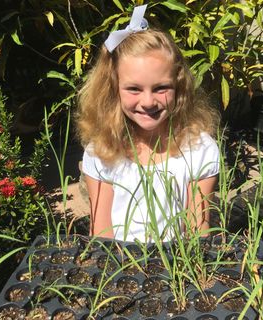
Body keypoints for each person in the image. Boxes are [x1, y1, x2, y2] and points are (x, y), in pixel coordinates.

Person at [76, 5, 220, 243]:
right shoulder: (101, 150)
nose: (148, 101)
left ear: (179, 86)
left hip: (176, 264)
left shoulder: (200, 149)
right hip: (119, 265)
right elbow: (101, 231)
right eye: (133, 89)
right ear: (113, 89)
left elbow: (197, 228)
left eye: (161, 88)